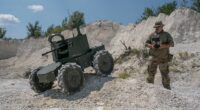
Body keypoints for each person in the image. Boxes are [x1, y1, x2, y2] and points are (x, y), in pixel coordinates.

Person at [145, 21, 174, 90]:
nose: (156, 28)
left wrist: (162, 46)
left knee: (165, 75)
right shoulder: (152, 35)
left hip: (163, 58)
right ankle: (149, 90)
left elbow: (172, 44)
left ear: (162, 27)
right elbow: (146, 43)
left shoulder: (167, 35)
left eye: (158, 27)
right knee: (150, 75)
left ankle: (168, 91)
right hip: (153, 58)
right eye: (155, 27)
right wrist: (151, 46)